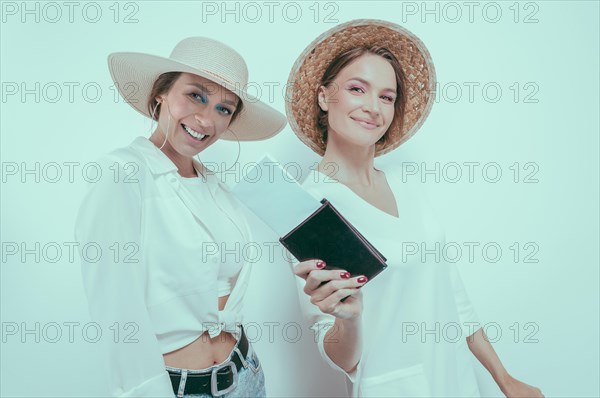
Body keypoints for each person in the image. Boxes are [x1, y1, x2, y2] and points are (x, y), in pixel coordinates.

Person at [285, 19, 544, 397]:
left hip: (457, 381)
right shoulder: (310, 208)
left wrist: (503, 378)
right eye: (358, 89)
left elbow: (452, 292)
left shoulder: (404, 183)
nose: (373, 107)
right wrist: (349, 320)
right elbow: (338, 354)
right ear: (325, 97)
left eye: (387, 97)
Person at [74, 37, 286, 397]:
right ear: (161, 94)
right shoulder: (122, 174)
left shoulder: (214, 187)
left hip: (246, 374)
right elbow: (117, 312)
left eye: (224, 108)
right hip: (178, 388)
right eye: (196, 96)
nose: (206, 120)